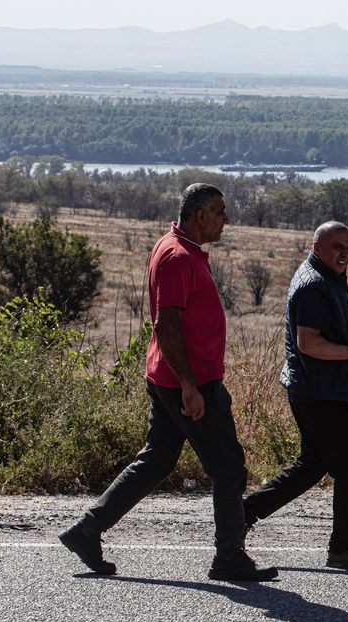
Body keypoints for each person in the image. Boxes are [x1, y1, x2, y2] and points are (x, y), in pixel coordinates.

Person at [59, 183, 276, 582]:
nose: (226, 219)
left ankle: (86, 531)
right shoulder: (177, 256)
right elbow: (166, 323)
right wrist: (190, 387)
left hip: (168, 377)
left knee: (155, 460)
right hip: (187, 382)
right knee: (228, 468)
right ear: (201, 216)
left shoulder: (179, 247)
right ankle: (229, 557)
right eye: (221, 211)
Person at [242, 220, 348, 569]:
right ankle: (341, 549)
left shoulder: (324, 277)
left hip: (316, 389)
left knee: (312, 465)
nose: (344, 253)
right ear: (317, 246)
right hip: (321, 393)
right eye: (337, 246)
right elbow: (309, 343)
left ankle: (243, 514)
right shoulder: (315, 286)